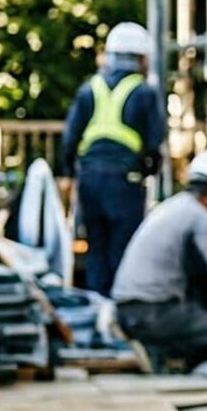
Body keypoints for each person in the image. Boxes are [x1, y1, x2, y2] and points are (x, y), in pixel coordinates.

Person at [111, 148, 207, 369]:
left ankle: (158, 352)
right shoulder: (202, 218)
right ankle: (165, 357)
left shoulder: (175, 206)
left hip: (127, 310)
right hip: (151, 313)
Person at [60, 21, 164, 295]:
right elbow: (155, 141)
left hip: (90, 179)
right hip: (124, 181)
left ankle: (97, 312)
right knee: (123, 250)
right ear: (142, 58)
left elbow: (70, 138)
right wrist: (150, 169)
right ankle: (118, 315)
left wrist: (70, 172)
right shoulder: (144, 93)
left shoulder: (89, 89)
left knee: (97, 248)